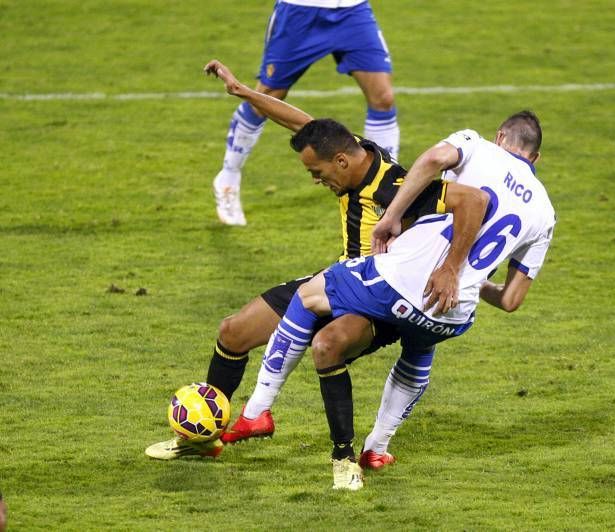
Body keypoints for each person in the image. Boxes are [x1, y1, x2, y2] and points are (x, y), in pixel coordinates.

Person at [241, 111, 557, 490]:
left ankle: (257, 410)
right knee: (419, 349)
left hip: (403, 280)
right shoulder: (545, 212)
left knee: (308, 296)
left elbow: (433, 161)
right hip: (451, 311)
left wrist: (399, 224)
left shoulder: (478, 146)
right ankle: (377, 448)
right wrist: (465, 280)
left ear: (501, 136)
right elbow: (510, 300)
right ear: (535, 158)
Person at [146, 60, 442, 462]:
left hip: (377, 300)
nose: (316, 180)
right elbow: (304, 124)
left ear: (340, 161)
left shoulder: (395, 188)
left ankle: (354, 454)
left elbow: (451, 215)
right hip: (337, 279)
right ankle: (205, 441)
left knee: (328, 347)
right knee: (233, 332)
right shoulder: (353, 153)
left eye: (317, 172)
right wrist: (246, 93)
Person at [213, 0, 399, 226]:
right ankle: (228, 177)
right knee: (267, 95)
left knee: (383, 98)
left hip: (353, 9)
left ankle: (385, 189)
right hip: (300, 10)